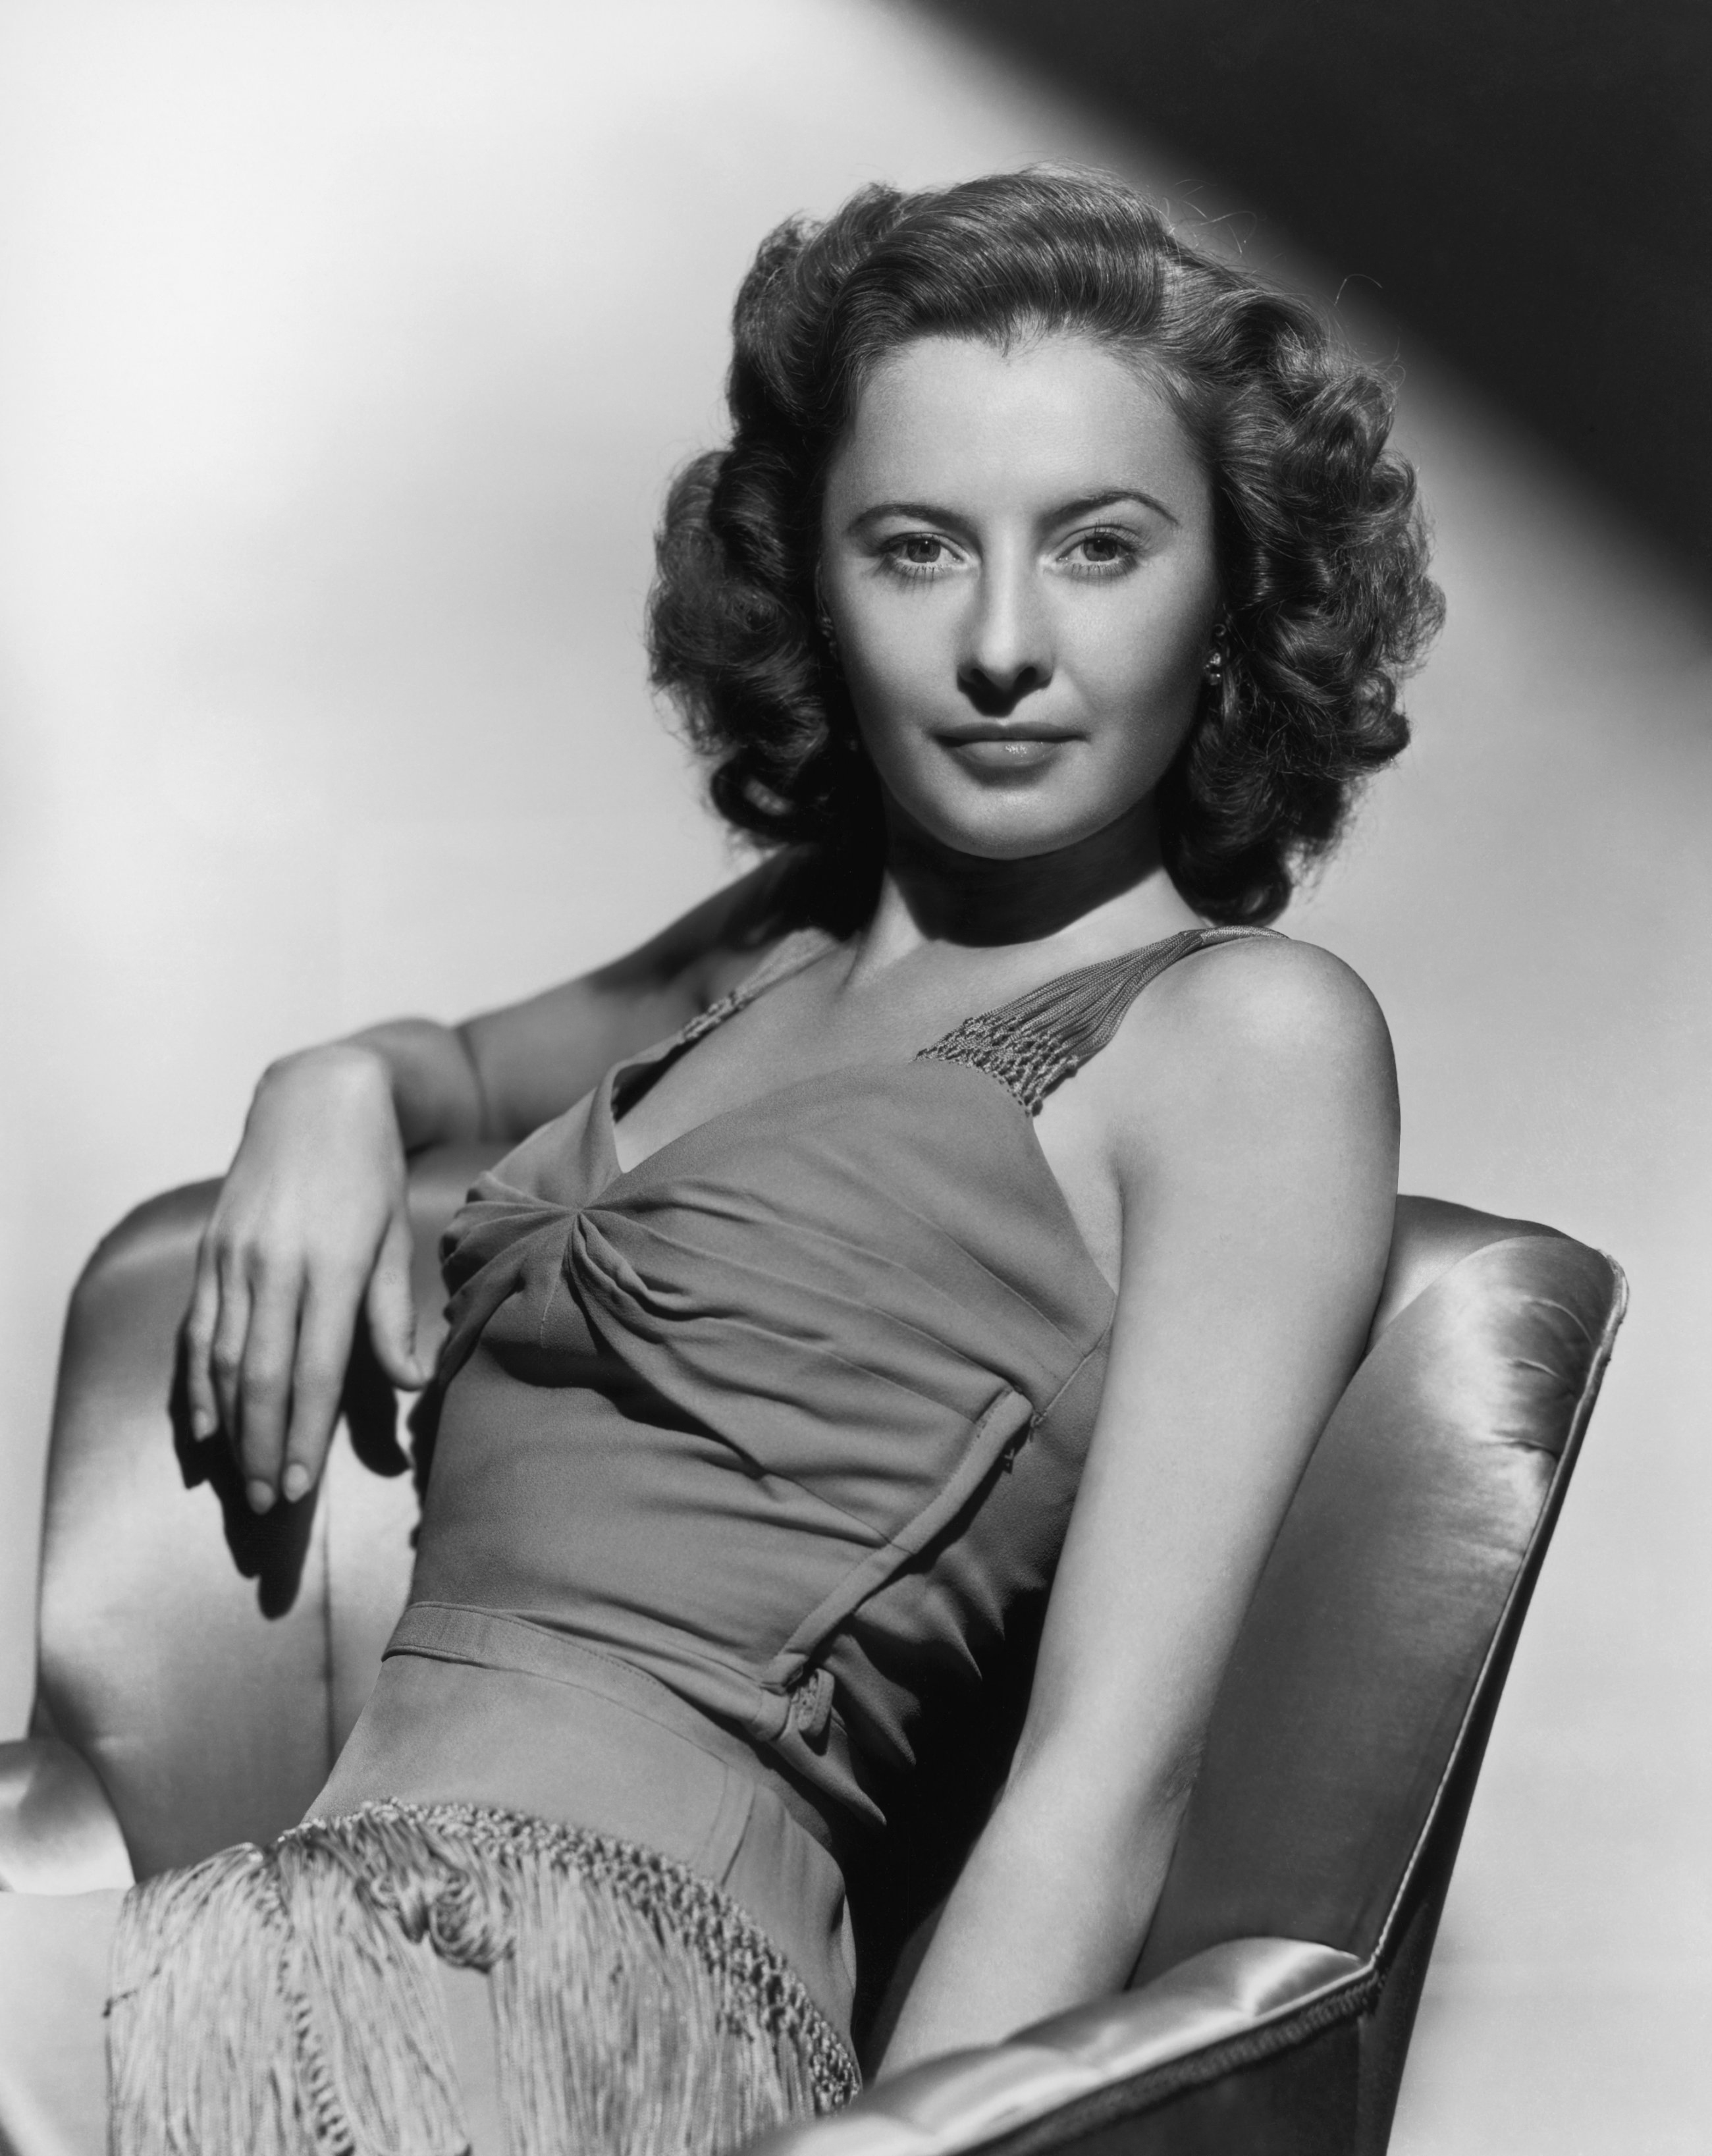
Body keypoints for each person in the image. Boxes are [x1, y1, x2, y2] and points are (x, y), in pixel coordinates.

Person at [0, 167, 1441, 2156]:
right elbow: (449, 1066)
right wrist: (322, 1088)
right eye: (917, 550)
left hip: (607, 2003)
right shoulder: (767, 958)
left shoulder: (1246, 1041)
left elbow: (1108, 1782)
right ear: (817, 593)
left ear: (1232, 597)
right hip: (297, 1951)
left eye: (1101, 548)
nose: (1002, 644)